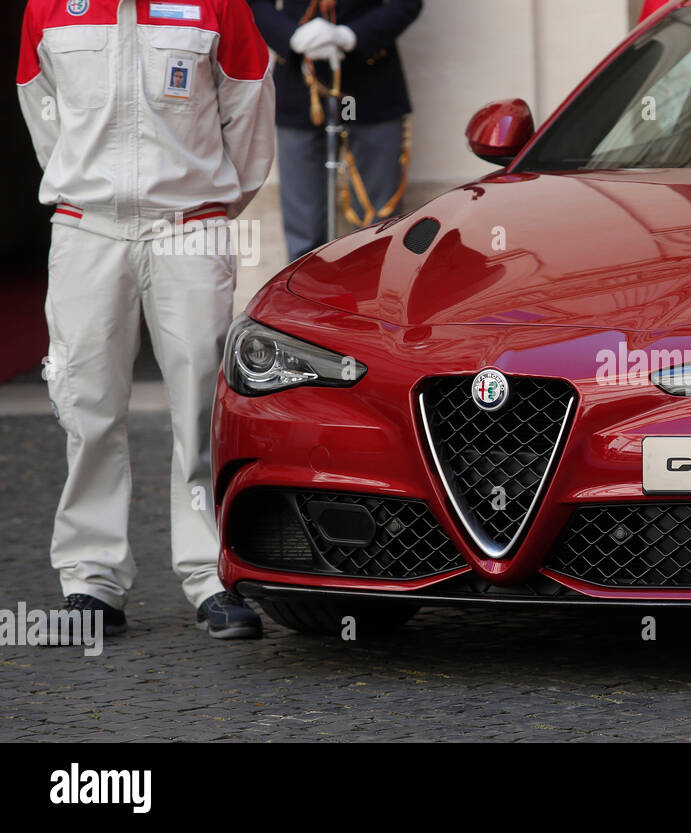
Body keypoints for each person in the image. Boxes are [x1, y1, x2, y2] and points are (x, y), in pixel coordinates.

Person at [17, 0, 276, 639]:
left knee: (201, 408)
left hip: (189, 228)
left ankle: (214, 575)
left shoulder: (218, 6)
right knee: (88, 406)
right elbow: (43, 114)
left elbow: (248, 115)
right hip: (87, 229)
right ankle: (90, 582)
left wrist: (206, 200)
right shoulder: (47, 8)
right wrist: (91, 190)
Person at [250, 0, 422, 261]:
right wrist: (290, 36)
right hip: (299, 83)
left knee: (378, 228)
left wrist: (350, 35)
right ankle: (304, 300)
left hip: (372, 78)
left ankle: (373, 299)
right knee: (303, 232)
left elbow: (406, 3)